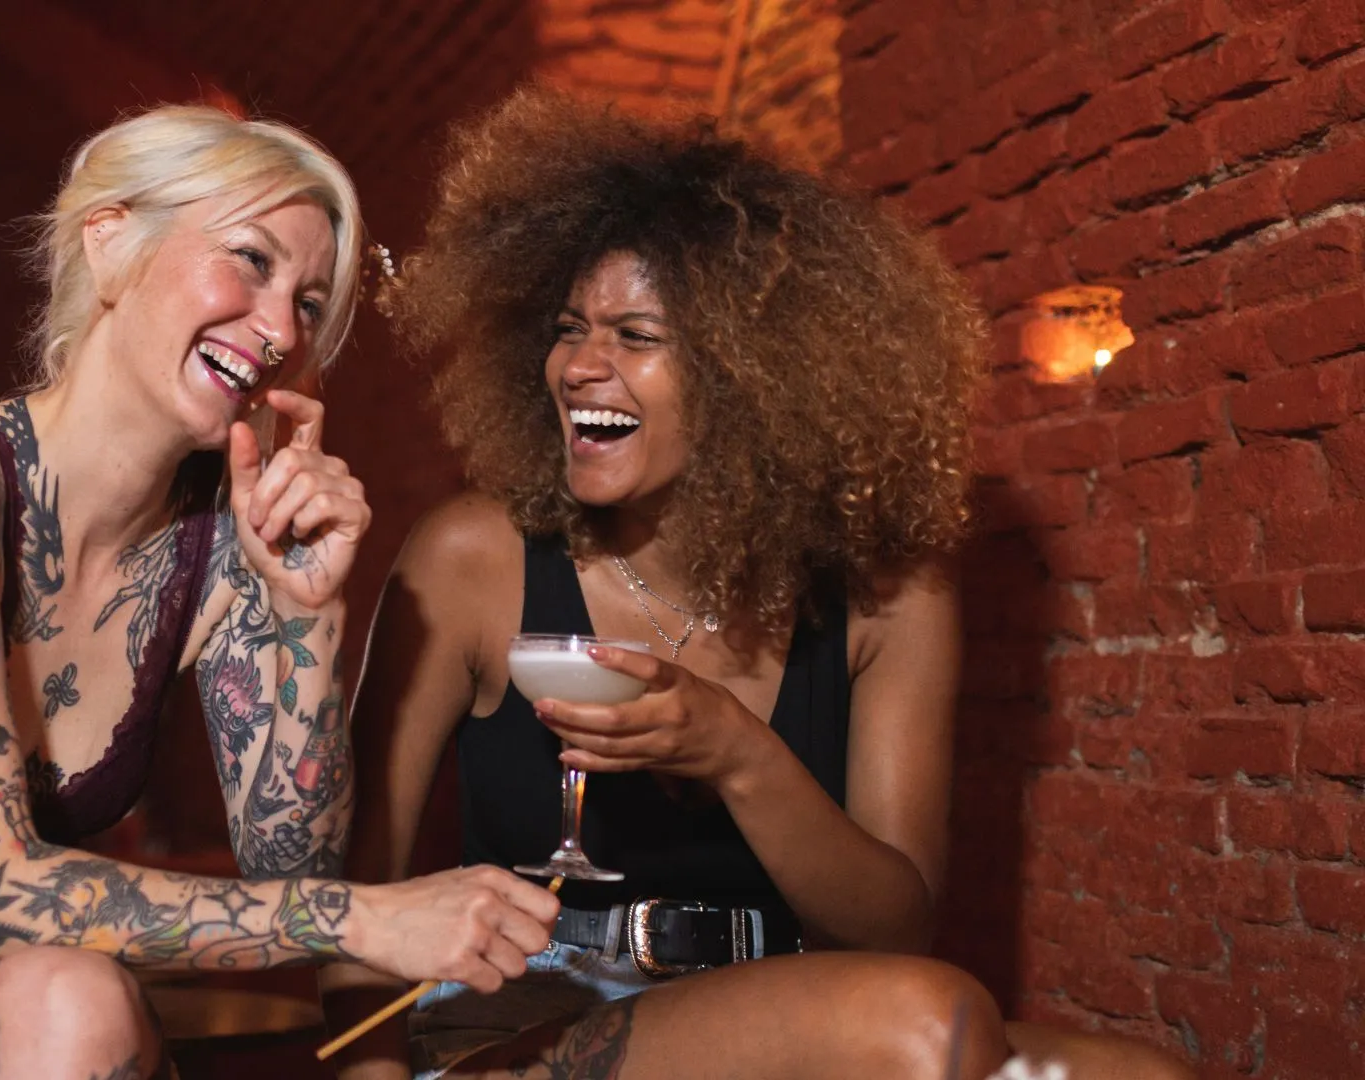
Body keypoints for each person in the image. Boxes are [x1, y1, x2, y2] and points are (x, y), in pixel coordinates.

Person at [0, 103, 559, 1080]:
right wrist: (375, 914)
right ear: (113, 238)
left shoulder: (224, 541)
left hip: (38, 1037)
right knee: (62, 985)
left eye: (307, 301)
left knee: (65, 991)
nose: (276, 326)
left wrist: (303, 614)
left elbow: (289, 879)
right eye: (251, 261)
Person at [318, 89, 1193, 1080]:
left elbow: (896, 926)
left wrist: (737, 754)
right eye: (570, 329)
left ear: (752, 379)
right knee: (926, 1022)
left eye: (636, 339)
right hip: (530, 1014)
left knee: (1141, 1078)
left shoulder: (888, 596)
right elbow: (356, 890)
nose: (580, 367)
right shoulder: (475, 559)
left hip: (796, 1007)